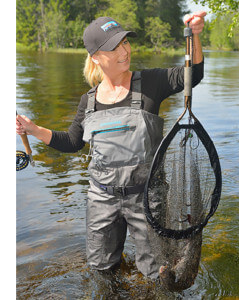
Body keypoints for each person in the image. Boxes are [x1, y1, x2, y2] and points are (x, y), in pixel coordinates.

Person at [16, 11, 206, 279]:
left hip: (148, 198)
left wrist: (195, 36)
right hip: (101, 198)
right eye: (114, 47)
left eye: (125, 42)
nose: (124, 51)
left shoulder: (151, 83)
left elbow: (193, 75)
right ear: (96, 57)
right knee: (102, 273)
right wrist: (34, 130)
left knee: (156, 274)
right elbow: (72, 142)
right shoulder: (88, 101)